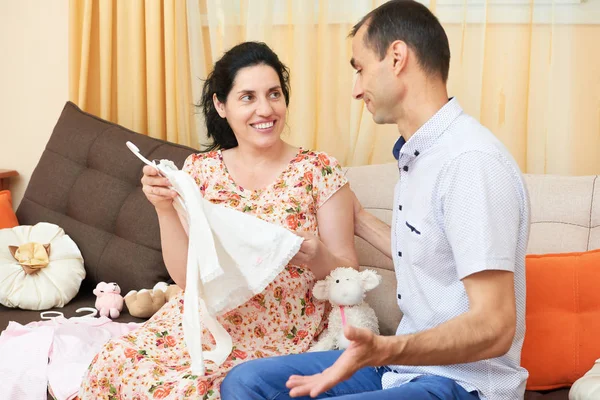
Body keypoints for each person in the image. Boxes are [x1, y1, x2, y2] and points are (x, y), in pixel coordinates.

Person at [220, 1, 530, 399]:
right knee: (246, 382)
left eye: (359, 68)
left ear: (397, 58)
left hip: (462, 384)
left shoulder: (470, 164)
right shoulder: (419, 157)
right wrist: (359, 217)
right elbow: (430, 254)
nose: (355, 89)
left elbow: (495, 327)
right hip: (402, 369)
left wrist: (382, 347)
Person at [78, 41, 359, 400]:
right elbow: (185, 277)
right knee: (111, 362)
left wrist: (319, 257)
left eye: (274, 94)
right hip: (203, 318)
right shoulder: (199, 171)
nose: (265, 109)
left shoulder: (318, 170)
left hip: (278, 331)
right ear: (220, 105)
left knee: (195, 392)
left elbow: (348, 273)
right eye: (248, 97)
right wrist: (163, 207)